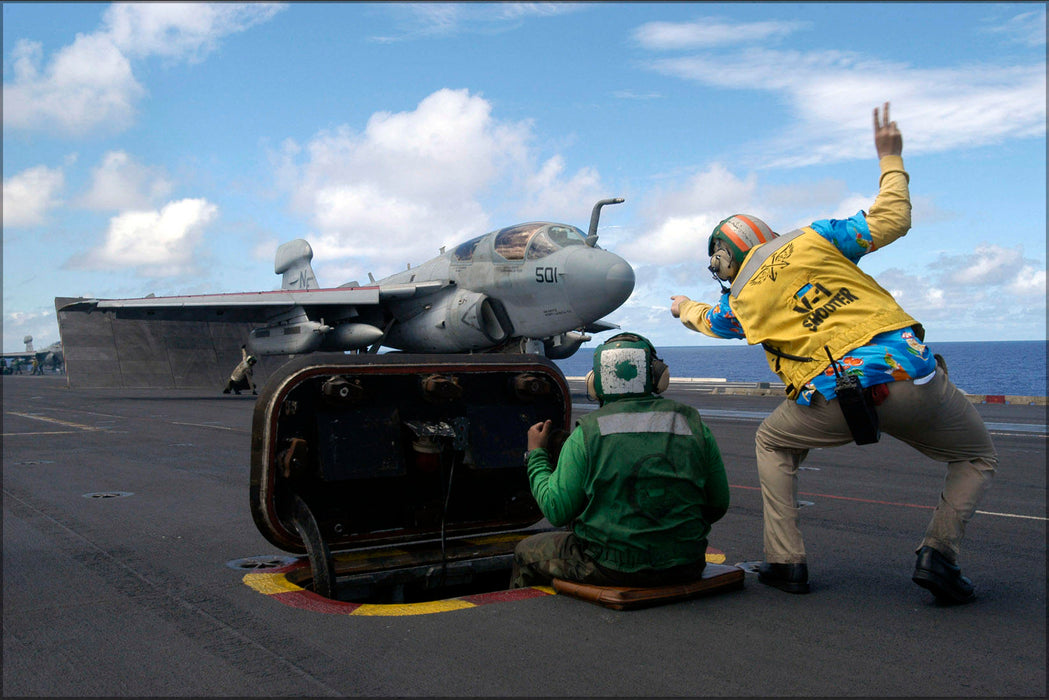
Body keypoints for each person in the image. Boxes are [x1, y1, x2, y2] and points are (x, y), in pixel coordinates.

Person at [669, 102, 997, 604]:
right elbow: (892, 219)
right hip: (912, 372)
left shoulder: (738, 296)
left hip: (838, 398)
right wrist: (890, 157)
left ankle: (785, 561)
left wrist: (683, 307)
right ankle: (939, 556)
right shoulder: (814, 237)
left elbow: (716, 323)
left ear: (724, 259)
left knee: (773, 443)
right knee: (975, 457)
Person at [509, 332, 730, 589]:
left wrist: (536, 455)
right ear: (657, 376)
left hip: (612, 567)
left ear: (595, 383)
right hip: (686, 564)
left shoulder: (587, 434)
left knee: (526, 551)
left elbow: (557, 510)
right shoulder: (693, 425)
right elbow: (718, 505)